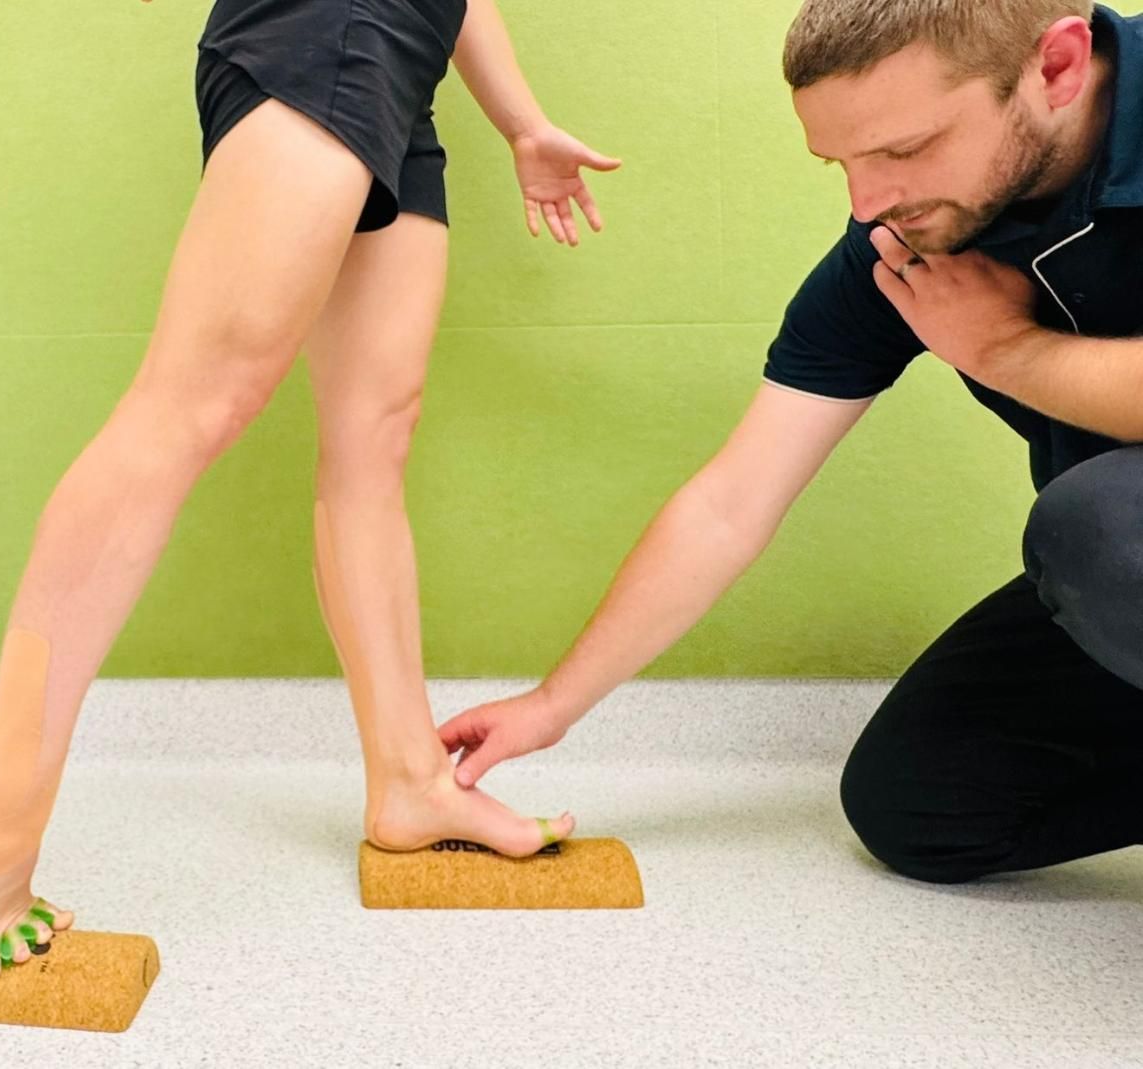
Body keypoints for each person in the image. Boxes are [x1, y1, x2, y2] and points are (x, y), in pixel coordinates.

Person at [0, 0, 621, 980]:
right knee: (193, 403)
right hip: (330, 22)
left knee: (377, 432)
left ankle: (410, 780)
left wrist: (520, 122)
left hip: (405, 61)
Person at [440, 0, 1143, 888]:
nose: (866, 201)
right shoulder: (907, 244)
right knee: (920, 801)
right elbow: (732, 502)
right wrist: (552, 704)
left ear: (1057, 67)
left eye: (902, 149)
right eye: (840, 163)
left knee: (1099, 529)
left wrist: (1006, 351)